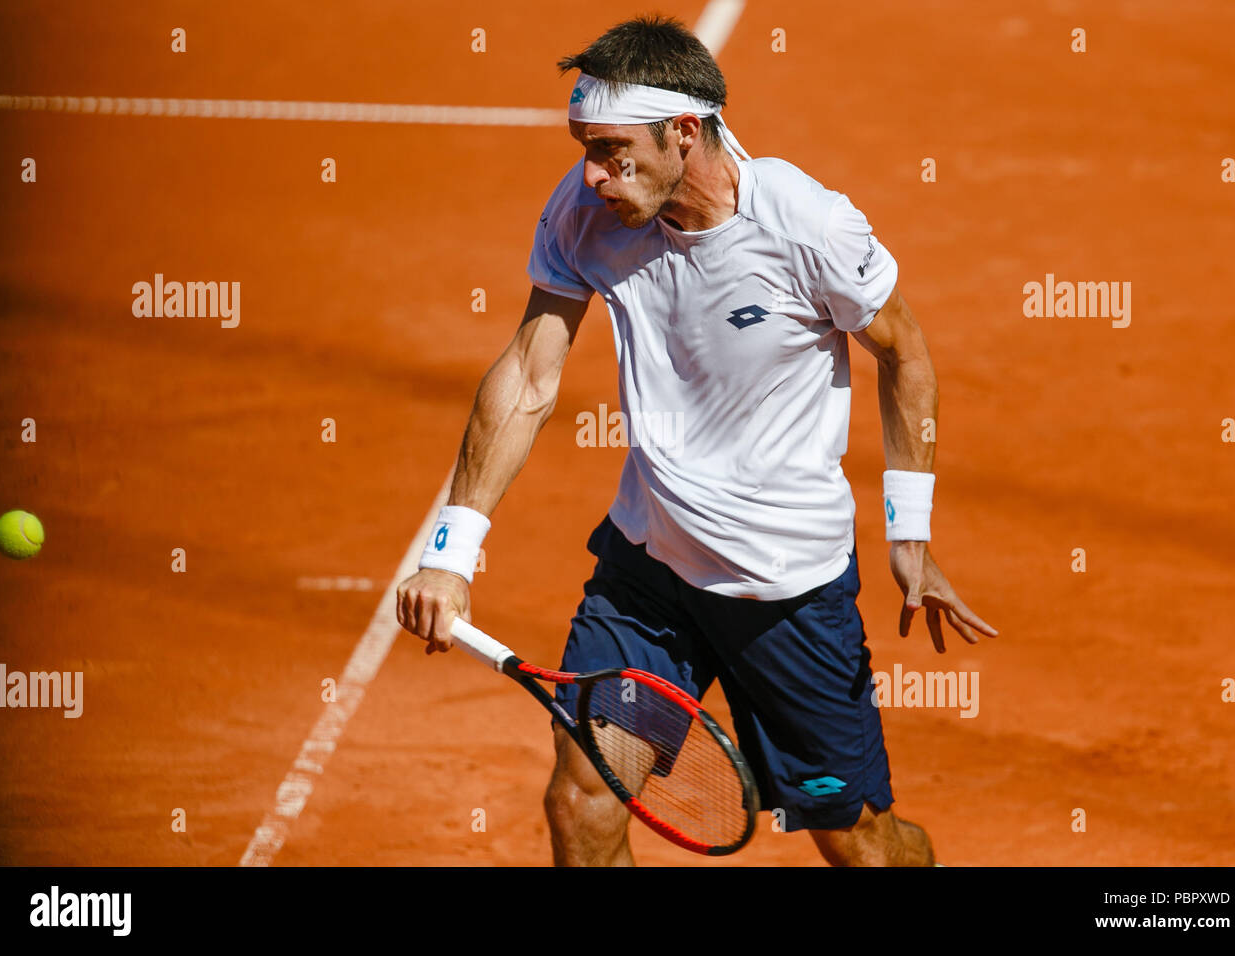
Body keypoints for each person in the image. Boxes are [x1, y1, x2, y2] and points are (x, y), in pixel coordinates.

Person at [396, 14, 997, 866]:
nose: (592, 174)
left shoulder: (804, 224)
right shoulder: (583, 214)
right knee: (584, 801)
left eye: (612, 151)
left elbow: (906, 353)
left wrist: (910, 532)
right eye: (583, 149)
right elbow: (530, 373)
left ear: (684, 132)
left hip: (784, 596)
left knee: (859, 843)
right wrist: (451, 551)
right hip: (650, 582)